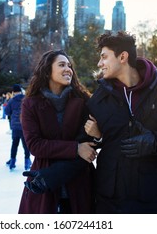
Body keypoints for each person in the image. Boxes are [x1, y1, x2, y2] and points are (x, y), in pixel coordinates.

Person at [26, 31, 157, 214]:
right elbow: (84, 149)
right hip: (108, 203)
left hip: (151, 201)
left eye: (104, 57)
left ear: (123, 57)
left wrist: (156, 141)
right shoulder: (98, 101)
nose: (99, 63)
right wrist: (52, 176)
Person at [18, 50, 98, 214]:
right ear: (47, 71)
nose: (68, 69)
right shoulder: (30, 104)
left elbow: (90, 140)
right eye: (61, 65)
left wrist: (96, 134)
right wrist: (76, 148)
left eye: (69, 66)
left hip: (80, 183)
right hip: (44, 182)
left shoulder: (83, 100)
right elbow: (35, 145)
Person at [4, 84, 31, 171]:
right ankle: (27, 162)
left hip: (15, 127)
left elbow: (6, 112)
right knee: (26, 145)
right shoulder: (26, 99)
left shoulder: (11, 101)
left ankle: (12, 162)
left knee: (14, 144)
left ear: (13, 92)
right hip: (25, 126)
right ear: (21, 91)